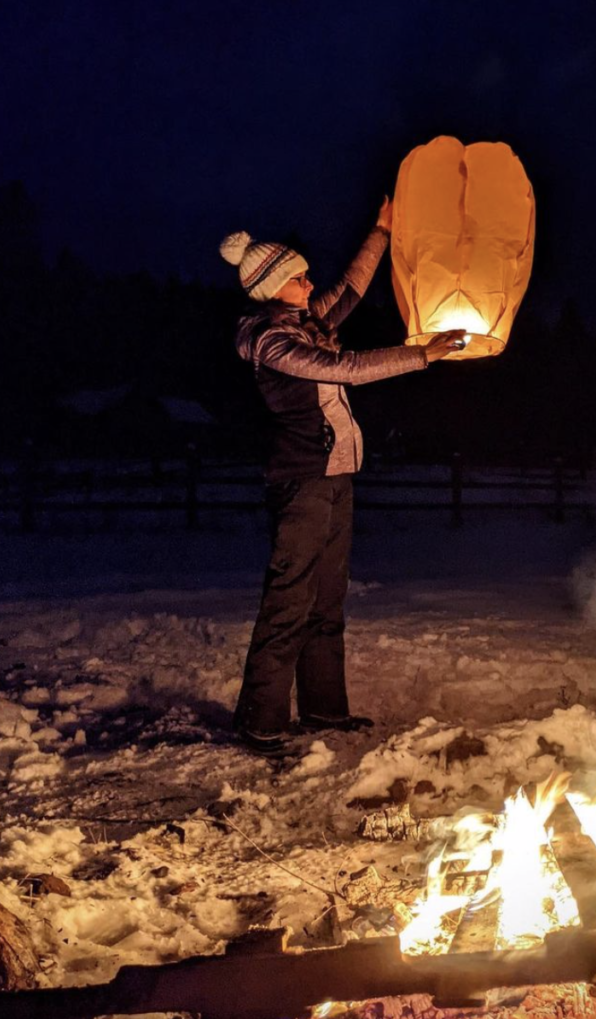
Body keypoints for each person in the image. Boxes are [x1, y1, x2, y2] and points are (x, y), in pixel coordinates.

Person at [219, 198, 464, 757]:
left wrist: (380, 231)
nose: (310, 285)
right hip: (300, 482)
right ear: (271, 286)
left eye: (306, 276)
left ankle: (325, 711)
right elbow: (344, 368)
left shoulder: (307, 323)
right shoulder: (271, 341)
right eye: (298, 279)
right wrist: (418, 355)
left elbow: (351, 289)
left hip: (334, 479)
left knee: (327, 601)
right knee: (289, 601)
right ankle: (260, 722)